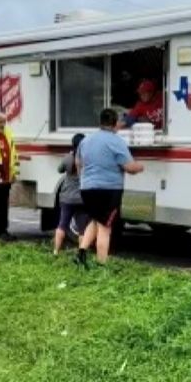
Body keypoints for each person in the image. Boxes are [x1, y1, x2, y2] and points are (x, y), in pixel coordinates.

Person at [75, 109, 144, 266]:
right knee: (105, 229)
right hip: (108, 191)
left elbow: (78, 163)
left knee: (96, 220)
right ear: (115, 123)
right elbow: (130, 167)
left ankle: (81, 253)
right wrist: (140, 167)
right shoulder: (116, 141)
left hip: (87, 189)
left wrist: (84, 179)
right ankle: (102, 265)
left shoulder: (86, 140)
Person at [53, 133, 89, 255]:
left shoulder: (68, 158)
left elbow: (59, 169)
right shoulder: (87, 160)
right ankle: (81, 254)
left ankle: (56, 251)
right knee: (82, 229)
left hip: (67, 197)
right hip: (81, 199)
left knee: (62, 225)